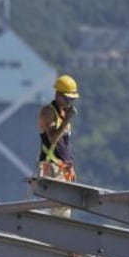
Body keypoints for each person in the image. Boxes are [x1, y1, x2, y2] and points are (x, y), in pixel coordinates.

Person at [37, 74, 80, 218]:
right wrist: (67, 119)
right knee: (58, 209)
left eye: (72, 99)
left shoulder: (63, 114)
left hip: (63, 169)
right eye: (68, 98)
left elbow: (64, 145)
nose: (70, 102)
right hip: (52, 167)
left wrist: (70, 165)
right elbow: (53, 139)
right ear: (58, 94)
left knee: (65, 210)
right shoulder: (48, 112)